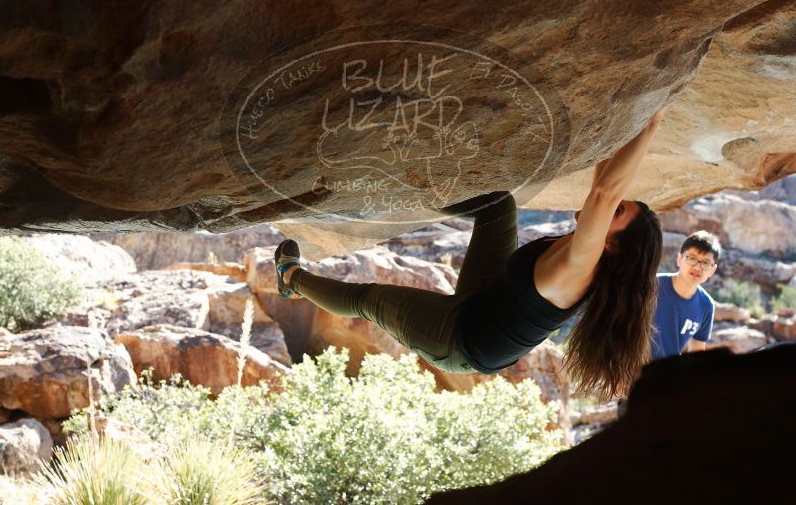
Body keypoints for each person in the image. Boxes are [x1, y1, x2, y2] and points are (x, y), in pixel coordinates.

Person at [275, 107, 667, 398]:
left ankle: (291, 278)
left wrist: (653, 124)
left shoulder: (580, 268)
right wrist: (628, 109)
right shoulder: (590, 248)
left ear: (611, 245)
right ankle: (397, 177)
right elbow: (604, 175)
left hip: (461, 343)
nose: (606, 207)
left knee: (369, 299)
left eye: (616, 213)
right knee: (497, 208)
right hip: (487, 303)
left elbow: (605, 192)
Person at [651, 231, 720, 360]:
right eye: (692, 258)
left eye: (705, 262)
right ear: (679, 259)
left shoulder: (706, 306)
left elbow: (697, 354)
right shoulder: (652, 285)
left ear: (712, 270)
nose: (698, 267)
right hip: (629, 372)